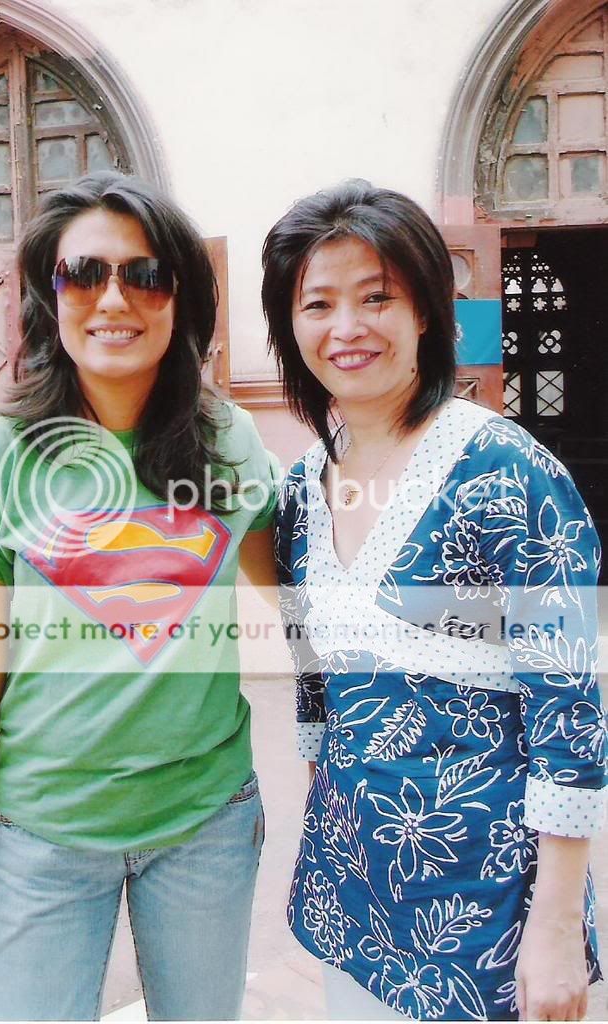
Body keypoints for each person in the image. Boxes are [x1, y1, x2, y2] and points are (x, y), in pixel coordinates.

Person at [0, 170, 279, 1021]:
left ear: (180, 299)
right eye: (83, 274)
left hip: (204, 823)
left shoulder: (229, 443)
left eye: (145, 274)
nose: (114, 299)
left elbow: (298, 602)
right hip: (43, 837)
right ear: (49, 295)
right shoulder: (1, 455)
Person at [263, 179, 606, 1021]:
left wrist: (555, 924)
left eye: (376, 297)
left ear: (423, 311)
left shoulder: (503, 471)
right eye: (318, 304)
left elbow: (567, 703)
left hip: (485, 911)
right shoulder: (302, 488)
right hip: (350, 896)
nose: (347, 327)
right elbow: (316, 684)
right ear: (290, 327)